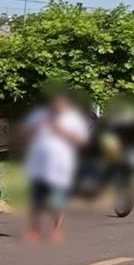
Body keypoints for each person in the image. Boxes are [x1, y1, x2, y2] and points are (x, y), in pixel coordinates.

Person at [22, 89, 89, 242]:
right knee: (36, 201)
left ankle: (56, 230)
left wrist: (61, 130)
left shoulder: (73, 119)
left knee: (57, 202)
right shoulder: (39, 115)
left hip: (60, 169)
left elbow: (82, 141)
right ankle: (34, 229)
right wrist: (34, 129)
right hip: (38, 167)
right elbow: (25, 134)